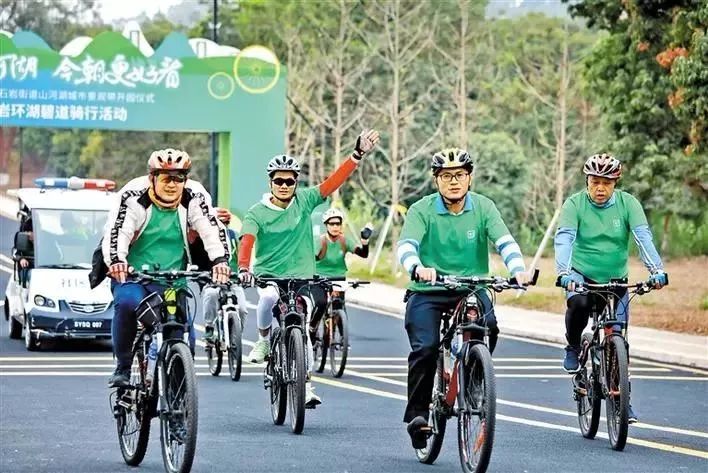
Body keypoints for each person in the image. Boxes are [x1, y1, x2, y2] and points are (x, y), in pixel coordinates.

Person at [396, 147, 531, 448]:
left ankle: (474, 377)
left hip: (472, 286)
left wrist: (518, 270)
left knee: (490, 327)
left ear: (469, 178)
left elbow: (504, 240)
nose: (453, 181)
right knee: (426, 348)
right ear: (436, 181)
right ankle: (418, 416)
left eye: (459, 175)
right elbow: (406, 245)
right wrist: (417, 267)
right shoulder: (422, 209)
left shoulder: (484, 207)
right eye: (446, 176)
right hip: (429, 290)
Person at [238, 129, 380, 408]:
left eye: (289, 181)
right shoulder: (257, 212)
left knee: (302, 330)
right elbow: (247, 240)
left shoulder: (304, 200)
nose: (284, 185)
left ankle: (306, 386)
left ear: (295, 183)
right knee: (266, 298)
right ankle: (264, 340)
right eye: (278, 181)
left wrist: (357, 155)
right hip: (269, 276)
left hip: (302, 277)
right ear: (270, 182)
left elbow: (332, 182)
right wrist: (244, 267)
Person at [104, 148, 232, 388]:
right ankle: (122, 366)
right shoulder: (133, 195)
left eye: (179, 178)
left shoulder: (194, 195)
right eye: (166, 178)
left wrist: (220, 261)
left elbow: (210, 228)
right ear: (152, 177)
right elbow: (117, 231)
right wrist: (117, 261)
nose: (173, 184)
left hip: (173, 280)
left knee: (185, 338)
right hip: (134, 276)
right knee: (127, 303)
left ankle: (178, 406)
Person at [554, 152, 667, 424]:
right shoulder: (575, 204)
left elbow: (643, 238)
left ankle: (621, 399)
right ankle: (572, 345)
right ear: (587, 181)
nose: (600, 188)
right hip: (581, 276)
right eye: (594, 182)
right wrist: (565, 273)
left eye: (606, 182)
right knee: (578, 304)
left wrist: (657, 271)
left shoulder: (629, 204)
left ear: (616, 182)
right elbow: (565, 239)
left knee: (619, 337)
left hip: (616, 280)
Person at [309, 208, 372, 340]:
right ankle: (312, 329)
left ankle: (343, 337)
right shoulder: (320, 241)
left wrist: (365, 242)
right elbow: (310, 259)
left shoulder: (344, 241)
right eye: (332, 224)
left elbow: (363, 254)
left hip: (338, 278)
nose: (335, 227)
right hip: (319, 278)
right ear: (326, 225)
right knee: (321, 303)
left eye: (338, 223)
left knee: (339, 305)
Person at [201, 207, 249, 342]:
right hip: (213, 280)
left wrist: (245, 272)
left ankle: (236, 332)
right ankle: (209, 327)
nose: (221, 226)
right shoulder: (207, 238)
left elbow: (243, 257)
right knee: (211, 295)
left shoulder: (234, 236)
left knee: (243, 309)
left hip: (232, 280)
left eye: (224, 223)